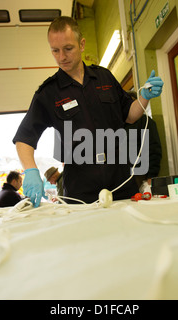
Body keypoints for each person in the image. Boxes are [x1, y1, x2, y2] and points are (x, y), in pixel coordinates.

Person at [13, 16, 163, 207]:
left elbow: (130, 116)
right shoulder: (48, 93)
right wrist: (31, 170)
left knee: (131, 232)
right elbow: (24, 138)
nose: (62, 57)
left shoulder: (104, 78)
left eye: (68, 49)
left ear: (82, 44)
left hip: (121, 180)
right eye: (55, 51)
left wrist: (144, 97)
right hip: (80, 189)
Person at [125, 90, 162, 193]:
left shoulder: (145, 122)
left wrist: (151, 177)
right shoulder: (118, 123)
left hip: (139, 176)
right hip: (121, 177)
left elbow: (154, 149)